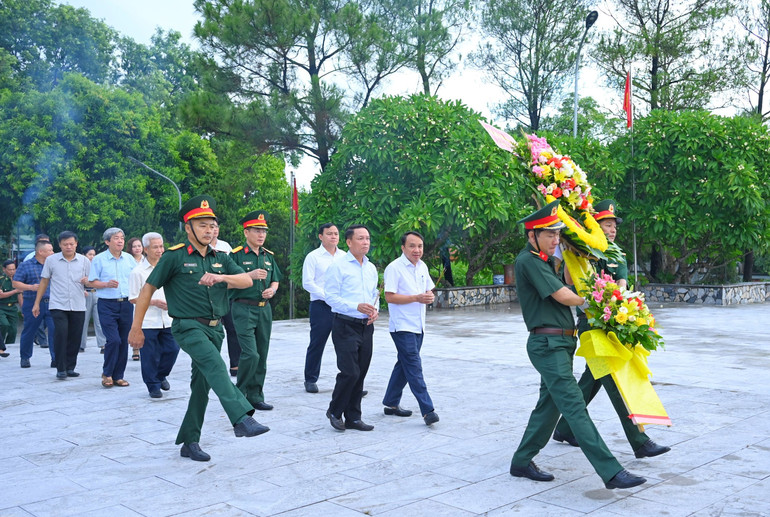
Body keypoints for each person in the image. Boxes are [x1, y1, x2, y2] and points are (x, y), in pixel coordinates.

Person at [509, 200, 646, 490]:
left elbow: (568, 283)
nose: (555, 239)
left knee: (548, 407)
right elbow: (561, 294)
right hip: (547, 344)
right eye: (549, 234)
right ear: (532, 235)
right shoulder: (528, 260)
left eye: (558, 234)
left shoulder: (546, 260)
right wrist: (594, 300)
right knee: (574, 406)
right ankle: (611, 471)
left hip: (560, 342)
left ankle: (521, 461)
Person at [128, 195, 269, 462]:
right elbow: (147, 289)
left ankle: (189, 441)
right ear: (188, 227)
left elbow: (244, 281)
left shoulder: (221, 257)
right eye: (202, 225)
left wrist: (221, 277)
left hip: (215, 329)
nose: (209, 230)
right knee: (216, 365)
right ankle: (241, 418)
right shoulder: (174, 257)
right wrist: (136, 328)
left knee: (202, 386)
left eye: (212, 226)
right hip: (187, 326)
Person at [552, 200, 670, 458]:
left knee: (595, 377)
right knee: (613, 379)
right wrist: (571, 251)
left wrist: (622, 308)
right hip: (590, 322)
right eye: (606, 223)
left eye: (613, 224)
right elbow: (570, 281)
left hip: (613, 320)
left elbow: (622, 283)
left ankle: (563, 428)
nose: (612, 229)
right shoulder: (580, 251)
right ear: (593, 225)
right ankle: (639, 441)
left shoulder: (617, 253)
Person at [324, 225, 379, 432]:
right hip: (345, 324)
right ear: (349, 242)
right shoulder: (338, 266)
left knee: (361, 373)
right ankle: (335, 411)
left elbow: (374, 294)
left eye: (367, 238)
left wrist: (375, 310)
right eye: (361, 238)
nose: (365, 242)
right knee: (350, 372)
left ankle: (354, 417)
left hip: (366, 326)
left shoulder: (371, 267)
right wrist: (355, 306)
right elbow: (331, 298)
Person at [381, 231, 439, 426]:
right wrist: (416, 298)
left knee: (404, 365)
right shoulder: (394, 268)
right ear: (403, 247)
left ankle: (391, 403)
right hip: (402, 326)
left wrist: (428, 297)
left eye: (420, 246)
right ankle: (427, 410)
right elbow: (389, 296)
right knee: (414, 367)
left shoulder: (422, 266)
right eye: (412, 246)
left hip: (419, 325)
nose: (417, 250)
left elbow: (428, 290)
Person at [229, 211, 282, 411]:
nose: (261, 235)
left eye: (264, 231)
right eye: (257, 231)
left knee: (262, 353)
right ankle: (239, 393)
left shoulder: (268, 256)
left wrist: (273, 289)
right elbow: (227, 280)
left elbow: (275, 278)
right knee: (250, 354)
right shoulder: (235, 255)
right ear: (246, 232)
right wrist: (248, 274)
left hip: (264, 309)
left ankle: (256, 395)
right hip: (243, 307)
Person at [129, 232, 180, 399]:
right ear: (145, 249)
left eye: (161, 246)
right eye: (155, 247)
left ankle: (160, 375)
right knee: (150, 355)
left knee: (173, 349)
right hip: (148, 320)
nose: (160, 250)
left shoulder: (169, 268)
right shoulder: (138, 272)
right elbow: (133, 298)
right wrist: (153, 302)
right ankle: (152, 385)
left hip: (168, 318)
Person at [33, 231, 89, 379]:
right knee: (61, 334)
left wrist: (87, 282)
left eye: (71, 244)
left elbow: (91, 281)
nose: (69, 247)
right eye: (65, 244)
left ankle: (70, 367)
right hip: (58, 304)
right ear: (60, 245)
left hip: (78, 304)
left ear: (76, 243)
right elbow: (44, 281)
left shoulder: (84, 261)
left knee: (75, 337)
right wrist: (36, 303)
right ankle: (61, 368)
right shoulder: (51, 260)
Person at [88, 228, 135, 388]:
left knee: (123, 341)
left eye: (122, 238)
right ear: (107, 241)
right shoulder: (99, 260)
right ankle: (107, 373)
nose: (120, 241)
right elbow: (91, 282)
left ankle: (118, 376)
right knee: (113, 340)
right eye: (116, 238)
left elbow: (137, 280)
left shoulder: (129, 259)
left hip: (127, 304)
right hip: (107, 304)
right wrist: (106, 284)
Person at [301, 223, 345, 393]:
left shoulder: (344, 256)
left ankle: (349, 381)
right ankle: (310, 379)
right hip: (321, 306)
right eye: (329, 234)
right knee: (317, 343)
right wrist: (329, 297)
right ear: (321, 236)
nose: (333, 236)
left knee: (345, 344)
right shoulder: (313, 257)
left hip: (341, 306)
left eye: (336, 233)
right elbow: (308, 283)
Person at [13, 240, 55, 368]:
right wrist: (31, 287)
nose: (53, 253)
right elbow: (16, 283)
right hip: (32, 302)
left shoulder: (54, 265)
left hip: (52, 303)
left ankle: (56, 358)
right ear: (40, 252)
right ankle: (25, 357)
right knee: (29, 331)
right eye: (50, 250)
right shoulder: (25, 265)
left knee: (55, 331)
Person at [211, 221, 241, 377]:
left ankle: (235, 364)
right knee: (210, 331)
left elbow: (234, 271)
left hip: (226, 294)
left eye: (216, 227)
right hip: (208, 297)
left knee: (232, 328)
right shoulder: (199, 248)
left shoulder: (225, 246)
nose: (213, 230)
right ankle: (210, 363)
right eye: (210, 226)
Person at [80, 246, 106, 353]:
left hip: (98, 294)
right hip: (85, 294)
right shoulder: (81, 266)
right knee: (84, 321)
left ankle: (103, 344)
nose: (92, 257)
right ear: (84, 255)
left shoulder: (98, 265)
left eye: (94, 254)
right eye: (90, 254)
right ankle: (81, 345)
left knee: (99, 320)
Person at [126, 237, 144, 360]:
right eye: (134, 246)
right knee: (134, 321)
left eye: (139, 246)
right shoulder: (127, 260)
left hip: (145, 293)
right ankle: (135, 348)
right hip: (133, 294)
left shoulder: (147, 260)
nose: (137, 248)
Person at [0, 259, 22, 357]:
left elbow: (20, 295)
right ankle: (1, 345)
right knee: (4, 325)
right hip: (2, 307)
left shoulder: (18, 279)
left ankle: (9, 346)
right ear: (4, 269)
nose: (12, 271)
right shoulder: (1, 280)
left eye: (14, 269)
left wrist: (23, 309)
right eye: (10, 269)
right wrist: (15, 291)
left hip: (12, 308)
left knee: (13, 330)